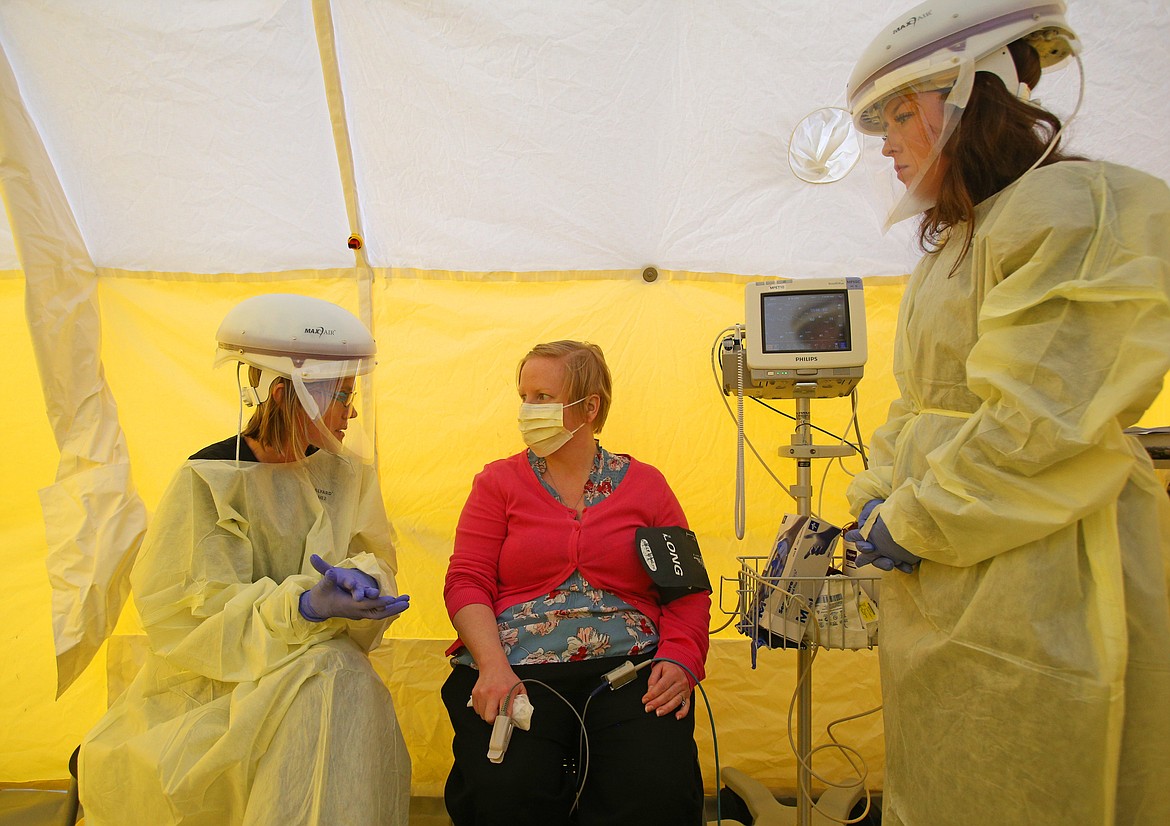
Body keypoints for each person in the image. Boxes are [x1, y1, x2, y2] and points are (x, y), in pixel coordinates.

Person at [840, 2, 1170, 824]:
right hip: (947, 579)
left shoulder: (1077, 207)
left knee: (1052, 784)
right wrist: (874, 500)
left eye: (898, 115)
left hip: (1048, 576)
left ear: (965, 101)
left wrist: (910, 519)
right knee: (953, 783)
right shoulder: (953, 247)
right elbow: (916, 406)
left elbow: (1040, 422)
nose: (886, 142)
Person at [79, 293, 412, 825]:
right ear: (288, 393)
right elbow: (190, 616)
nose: (350, 411)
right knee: (331, 677)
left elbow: (373, 556)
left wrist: (366, 583)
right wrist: (302, 606)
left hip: (317, 669)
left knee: (333, 674)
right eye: (341, 395)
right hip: (213, 687)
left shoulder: (348, 477)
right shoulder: (208, 481)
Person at [441, 340, 710, 826]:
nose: (528, 410)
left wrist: (681, 657)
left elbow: (686, 589)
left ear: (589, 407)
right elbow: (466, 581)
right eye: (524, 396)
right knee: (506, 794)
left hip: (630, 671)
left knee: (656, 792)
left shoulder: (647, 485)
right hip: (518, 669)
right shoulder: (497, 483)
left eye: (542, 397)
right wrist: (492, 668)